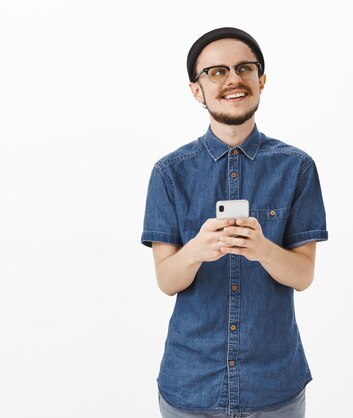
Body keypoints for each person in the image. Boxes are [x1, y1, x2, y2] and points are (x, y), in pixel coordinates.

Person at [141, 27, 328, 418]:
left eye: (244, 68)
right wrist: (196, 251)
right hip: (190, 385)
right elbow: (166, 281)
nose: (232, 80)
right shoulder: (168, 173)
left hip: (275, 386)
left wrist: (261, 249)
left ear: (261, 80)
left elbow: (303, 275)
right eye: (216, 72)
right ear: (197, 90)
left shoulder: (297, 168)